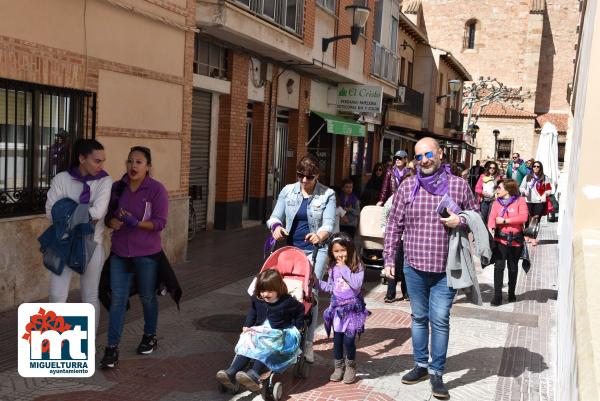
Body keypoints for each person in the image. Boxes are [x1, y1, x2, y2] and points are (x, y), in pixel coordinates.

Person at [383, 137, 478, 399]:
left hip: (445, 269)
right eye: (419, 156)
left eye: (428, 154)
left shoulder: (458, 186)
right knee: (418, 318)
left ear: (440, 153)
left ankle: (437, 372)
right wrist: (389, 259)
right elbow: (394, 225)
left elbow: (475, 216)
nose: (424, 160)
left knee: (440, 319)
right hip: (413, 267)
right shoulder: (407, 187)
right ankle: (421, 365)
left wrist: (460, 220)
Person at [100, 146, 169, 369]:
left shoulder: (156, 190)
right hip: (120, 253)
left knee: (147, 296)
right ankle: (111, 348)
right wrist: (111, 222)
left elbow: (160, 222)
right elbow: (107, 215)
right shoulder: (117, 188)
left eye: (139, 162)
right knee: (118, 298)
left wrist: (136, 223)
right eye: (130, 161)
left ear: (148, 166)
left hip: (147, 254)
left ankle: (150, 335)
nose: (133, 166)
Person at [267, 154, 336, 363]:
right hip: (291, 250)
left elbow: (329, 224)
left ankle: (307, 344)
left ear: (317, 175)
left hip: (316, 250)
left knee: (309, 293)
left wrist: (320, 235)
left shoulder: (328, 194)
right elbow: (274, 217)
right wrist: (276, 227)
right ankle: (282, 333)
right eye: (300, 175)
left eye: (309, 177)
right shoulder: (288, 191)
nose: (304, 180)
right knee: (284, 290)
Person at [46, 139, 113, 329]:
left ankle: (88, 346)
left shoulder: (104, 180)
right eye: (97, 160)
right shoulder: (61, 179)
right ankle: (55, 345)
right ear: (82, 158)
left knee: (90, 296)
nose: (101, 165)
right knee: (57, 295)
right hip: (62, 244)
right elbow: (50, 212)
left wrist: (66, 212)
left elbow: (98, 213)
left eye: (103, 160)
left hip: (92, 243)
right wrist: (85, 212)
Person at [216, 269, 304, 392]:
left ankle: (254, 373)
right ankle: (232, 371)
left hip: (279, 331)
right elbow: (252, 312)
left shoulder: (287, 301)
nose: (265, 294)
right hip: (260, 329)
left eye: (269, 291)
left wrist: (298, 326)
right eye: (262, 291)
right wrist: (247, 325)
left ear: (278, 288)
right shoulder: (258, 299)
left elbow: (300, 310)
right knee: (247, 341)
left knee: (266, 345)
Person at [313, 232, 370, 384]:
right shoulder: (333, 267)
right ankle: (338, 366)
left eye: (343, 250)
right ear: (331, 252)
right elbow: (331, 287)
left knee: (349, 341)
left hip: (352, 310)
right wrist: (317, 283)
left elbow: (356, 285)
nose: (340, 254)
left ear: (350, 249)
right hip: (337, 310)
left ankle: (350, 365)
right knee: (337, 341)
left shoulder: (357, 266)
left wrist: (344, 268)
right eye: (336, 251)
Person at [487, 179, 529, 306]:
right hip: (500, 239)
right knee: (498, 267)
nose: (497, 190)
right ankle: (497, 296)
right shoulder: (496, 203)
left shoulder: (520, 201)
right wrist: (492, 227)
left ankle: (511, 293)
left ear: (507, 190)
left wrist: (505, 221)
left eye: (499, 188)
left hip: (516, 239)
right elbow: (491, 219)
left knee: (513, 267)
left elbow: (523, 217)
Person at [519, 161, 553, 246]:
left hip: (540, 201)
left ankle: (533, 238)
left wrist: (545, 194)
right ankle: (527, 235)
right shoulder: (527, 177)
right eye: (534, 166)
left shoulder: (545, 178)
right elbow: (521, 187)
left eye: (538, 166)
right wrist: (524, 191)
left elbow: (549, 190)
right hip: (528, 200)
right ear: (532, 167)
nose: (536, 168)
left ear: (540, 168)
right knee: (528, 219)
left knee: (536, 219)